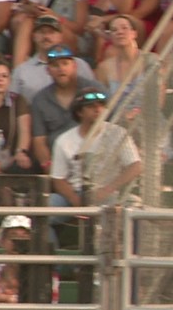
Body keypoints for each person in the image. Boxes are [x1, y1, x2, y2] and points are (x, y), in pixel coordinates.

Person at [50, 86, 142, 213]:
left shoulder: (119, 134)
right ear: (79, 112)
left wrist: (107, 190)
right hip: (75, 193)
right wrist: (75, 200)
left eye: (101, 106)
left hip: (109, 193)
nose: (97, 109)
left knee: (135, 206)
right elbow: (58, 179)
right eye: (91, 107)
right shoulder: (63, 140)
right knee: (48, 207)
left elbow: (135, 166)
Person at [29, 44, 106, 173]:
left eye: (65, 63)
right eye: (55, 65)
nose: (61, 69)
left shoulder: (95, 89)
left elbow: (112, 122)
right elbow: (39, 140)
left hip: (94, 158)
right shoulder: (40, 99)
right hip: (57, 161)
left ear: (74, 66)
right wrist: (50, 167)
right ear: (47, 70)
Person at [10, 14, 95, 104]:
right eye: (42, 32)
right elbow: (12, 104)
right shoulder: (21, 71)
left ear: (60, 37)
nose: (46, 36)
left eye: (51, 32)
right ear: (34, 36)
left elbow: (93, 94)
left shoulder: (79, 65)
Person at [9, 0, 92, 67]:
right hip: (44, 26)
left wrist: (55, 17)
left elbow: (80, 28)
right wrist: (33, 10)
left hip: (72, 36)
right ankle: (18, 69)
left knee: (44, 27)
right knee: (27, 21)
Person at [0, 59, 34, 180]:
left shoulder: (17, 101)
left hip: (9, 157)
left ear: (9, 81)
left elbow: (24, 132)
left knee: (23, 164)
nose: (0, 79)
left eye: (4, 76)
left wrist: (20, 152)